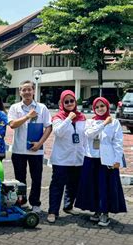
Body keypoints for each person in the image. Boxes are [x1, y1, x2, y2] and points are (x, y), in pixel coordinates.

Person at [75, 97, 127, 226]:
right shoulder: (90, 122)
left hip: (107, 160)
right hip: (91, 158)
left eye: (102, 106)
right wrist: (103, 124)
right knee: (93, 186)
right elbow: (89, 134)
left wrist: (117, 160)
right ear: (93, 109)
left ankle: (105, 213)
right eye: (97, 107)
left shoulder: (114, 122)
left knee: (105, 186)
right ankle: (96, 210)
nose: (100, 109)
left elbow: (118, 142)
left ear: (107, 107)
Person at [8, 80, 52, 213]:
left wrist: (40, 143)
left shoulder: (42, 108)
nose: (27, 92)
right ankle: (21, 202)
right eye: (24, 90)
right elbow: (12, 125)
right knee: (20, 179)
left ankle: (35, 203)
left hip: (36, 150)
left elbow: (48, 127)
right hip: (19, 150)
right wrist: (27, 116)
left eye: (29, 89)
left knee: (36, 178)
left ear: (34, 91)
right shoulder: (14, 108)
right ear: (20, 92)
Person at [47, 90, 86, 223]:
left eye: (72, 101)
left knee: (73, 185)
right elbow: (58, 132)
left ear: (75, 102)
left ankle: (68, 206)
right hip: (62, 159)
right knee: (57, 185)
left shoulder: (82, 117)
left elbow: (85, 137)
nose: (69, 103)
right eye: (66, 101)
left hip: (78, 158)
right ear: (62, 103)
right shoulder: (58, 117)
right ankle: (53, 211)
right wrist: (69, 118)